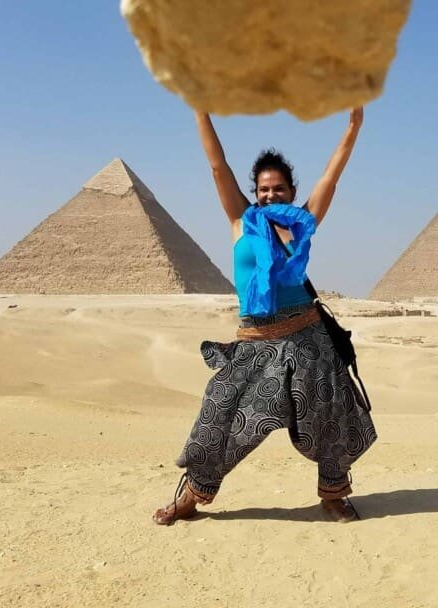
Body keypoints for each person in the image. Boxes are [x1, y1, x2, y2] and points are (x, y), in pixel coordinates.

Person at [153, 107, 376, 525]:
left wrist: (353, 128)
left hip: (307, 338)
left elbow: (331, 176)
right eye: (262, 189)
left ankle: (333, 496)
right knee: (218, 413)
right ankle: (191, 495)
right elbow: (218, 167)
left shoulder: (303, 224)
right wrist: (200, 110)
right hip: (254, 342)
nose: (270, 195)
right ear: (253, 193)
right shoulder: (241, 221)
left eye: (278, 189)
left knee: (327, 418)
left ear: (292, 191)